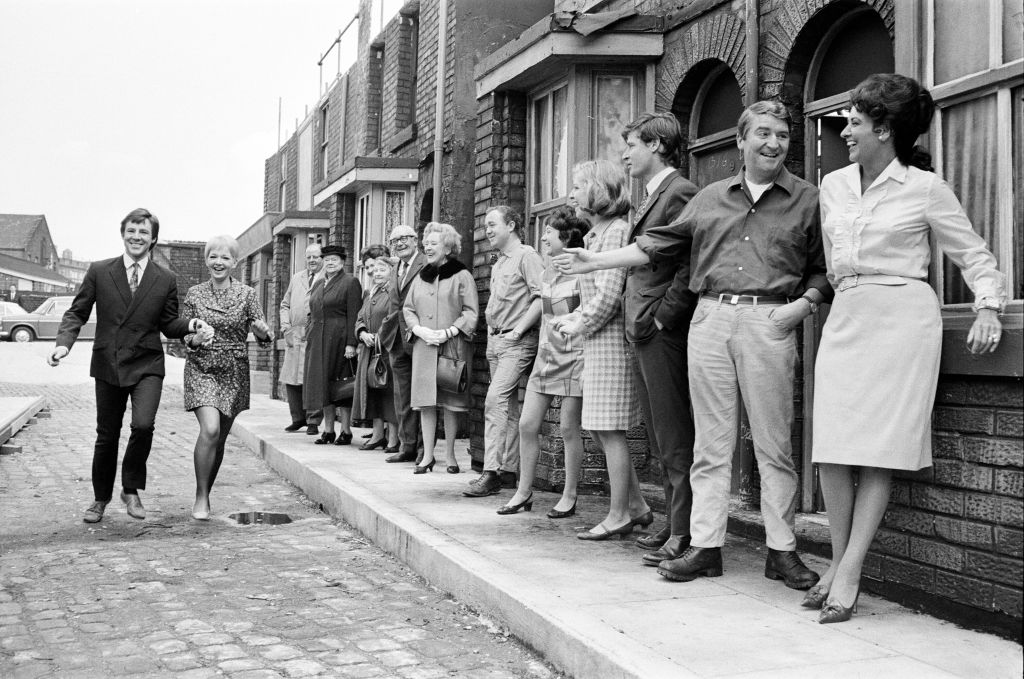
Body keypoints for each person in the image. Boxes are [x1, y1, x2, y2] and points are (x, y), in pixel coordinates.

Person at [556, 101, 828, 588]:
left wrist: (803, 305)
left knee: (773, 445)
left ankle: (782, 552)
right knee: (711, 444)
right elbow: (655, 245)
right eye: (763, 133)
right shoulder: (709, 197)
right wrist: (592, 263)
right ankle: (706, 547)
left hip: (770, 318)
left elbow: (823, 268)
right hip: (711, 319)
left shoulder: (808, 199)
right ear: (740, 141)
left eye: (783, 135)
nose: (773, 143)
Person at [809, 74, 1005, 624]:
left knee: (877, 450)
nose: (845, 128)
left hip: (901, 320)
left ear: (885, 129)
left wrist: (987, 304)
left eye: (855, 119)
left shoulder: (924, 188)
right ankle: (837, 560)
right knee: (832, 445)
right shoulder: (834, 185)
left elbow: (974, 255)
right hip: (847, 314)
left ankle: (847, 571)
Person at [48, 208, 211, 523]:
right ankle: (100, 499)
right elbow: (77, 312)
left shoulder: (165, 279)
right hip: (109, 362)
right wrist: (62, 345)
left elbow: (168, 323)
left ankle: (131, 488)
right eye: (132, 231)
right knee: (107, 434)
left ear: (153, 240)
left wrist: (190, 324)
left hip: (147, 362)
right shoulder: (99, 271)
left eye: (144, 233)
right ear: (123, 234)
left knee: (143, 425)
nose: (137, 237)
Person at [555, 160, 652, 541]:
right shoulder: (598, 235)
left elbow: (611, 293)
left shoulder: (615, 232)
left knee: (609, 431)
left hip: (611, 345)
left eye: (579, 185)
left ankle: (618, 515)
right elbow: (595, 292)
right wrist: (574, 317)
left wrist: (579, 322)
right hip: (597, 343)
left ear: (598, 189)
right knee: (597, 428)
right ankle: (638, 505)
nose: (573, 193)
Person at [620, 113, 700, 565]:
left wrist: (663, 319)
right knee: (658, 431)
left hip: (660, 331)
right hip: (642, 329)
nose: (626, 154)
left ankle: (684, 532)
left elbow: (690, 263)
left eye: (632, 144)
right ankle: (674, 521)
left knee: (673, 433)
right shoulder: (653, 195)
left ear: (656, 145)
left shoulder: (679, 192)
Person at [497, 207, 588, 518]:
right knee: (527, 424)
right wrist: (521, 331)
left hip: (575, 355)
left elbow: (588, 315)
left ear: (567, 237)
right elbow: (544, 311)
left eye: (549, 231)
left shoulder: (584, 272)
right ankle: (523, 492)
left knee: (568, 428)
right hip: (546, 354)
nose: (544, 236)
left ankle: (570, 494)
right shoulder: (547, 272)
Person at [182, 235, 271, 520]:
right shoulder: (194, 294)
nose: (218, 262)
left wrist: (260, 332)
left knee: (218, 439)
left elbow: (265, 334)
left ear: (235, 262)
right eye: (213, 257)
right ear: (206, 260)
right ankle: (200, 495)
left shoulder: (248, 294)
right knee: (209, 430)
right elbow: (182, 333)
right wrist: (195, 338)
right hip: (202, 367)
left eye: (225, 257)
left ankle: (207, 491)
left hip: (233, 369)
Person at [464, 206, 544, 497]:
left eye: (493, 224)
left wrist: (520, 330)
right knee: (507, 407)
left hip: (516, 342)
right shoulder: (499, 263)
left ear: (511, 225)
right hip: (496, 343)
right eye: (485, 225)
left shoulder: (527, 256)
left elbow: (541, 297)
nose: (487, 230)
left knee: (493, 403)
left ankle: (491, 471)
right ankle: (508, 471)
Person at [403, 222, 479, 474]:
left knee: (449, 402)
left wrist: (450, 331)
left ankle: (450, 456)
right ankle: (427, 456)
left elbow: (470, 311)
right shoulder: (421, 276)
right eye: (426, 244)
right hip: (425, 346)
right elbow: (408, 308)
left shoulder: (461, 275)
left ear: (447, 247)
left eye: (433, 243)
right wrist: (418, 329)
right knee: (426, 402)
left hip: (451, 345)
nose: (428, 247)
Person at [303, 244, 361, 445]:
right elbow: (312, 311)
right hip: (318, 340)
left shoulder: (350, 282)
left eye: (334, 259)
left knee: (341, 384)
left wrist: (351, 344)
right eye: (326, 259)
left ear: (342, 262)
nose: (329, 263)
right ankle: (328, 430)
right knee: (323, 385)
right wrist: (309, 332)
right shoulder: (319, 284)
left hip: (339, 339)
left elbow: (354, 314)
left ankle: (345, 430)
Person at [378, 224, 427, 463]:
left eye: (404, 238)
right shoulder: (396, 266)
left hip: (418, 336)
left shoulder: (426, 264)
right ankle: (407, 445)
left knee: (422, 395)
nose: (400, 243)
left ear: (415, 240)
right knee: (402, 395)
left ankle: (423, 449)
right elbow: (393, 304)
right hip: (396, 339)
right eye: (395, 240)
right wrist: (387, 329)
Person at [353, 245, 400, 452]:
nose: (376, 273)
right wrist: (361, 332)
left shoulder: (392, 292)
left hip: (387, 349)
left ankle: (393, 438)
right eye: (374, 270)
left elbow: (393, 317)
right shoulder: (370, 293)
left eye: (382, 270)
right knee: (373, 393)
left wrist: (380, 336)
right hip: (369, 350)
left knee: (388, 394)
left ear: (391, 272)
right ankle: (378, 435)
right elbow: (360, 317)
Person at [279, 242, 325, 435]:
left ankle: (313, 420)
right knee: (291, 378)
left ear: (322, 258)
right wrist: (285, 326)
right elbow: (285, 304)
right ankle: (297, 418)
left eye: (315, 256)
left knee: (311, 377)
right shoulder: (297, 277)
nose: (312, 260)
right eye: (309, 257)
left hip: (314, 332)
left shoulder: (326, 276)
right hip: (294, 333)